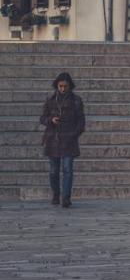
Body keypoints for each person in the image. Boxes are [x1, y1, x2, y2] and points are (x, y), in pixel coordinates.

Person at [40, 72, 85, 208]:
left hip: (69, 140)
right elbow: (42, 118)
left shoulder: (76, 100)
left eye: (65, 86)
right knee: (54, 171)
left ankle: (66, 198)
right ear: (57, 85)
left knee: (68, 170)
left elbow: (81, 121)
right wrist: (50, 120)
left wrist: (74, 134)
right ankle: (55, 194)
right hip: (53, 139)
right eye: (60, 86)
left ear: (70, 86)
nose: (63, 89)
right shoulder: (50, 99)